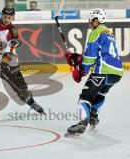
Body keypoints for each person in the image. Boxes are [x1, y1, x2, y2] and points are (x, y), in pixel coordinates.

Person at [64, 8, 123, 137]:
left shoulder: (96, 32)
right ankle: (94, 114)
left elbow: (90, 56)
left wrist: (81, 71)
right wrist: (79, 61)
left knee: (85, 97)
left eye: (91, 20)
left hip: (103, 72)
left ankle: (82, 122)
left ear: (97, 20)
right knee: (100, 93)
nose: (90, 23)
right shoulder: (109, 33)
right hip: (117, 73)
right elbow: (101, 54)